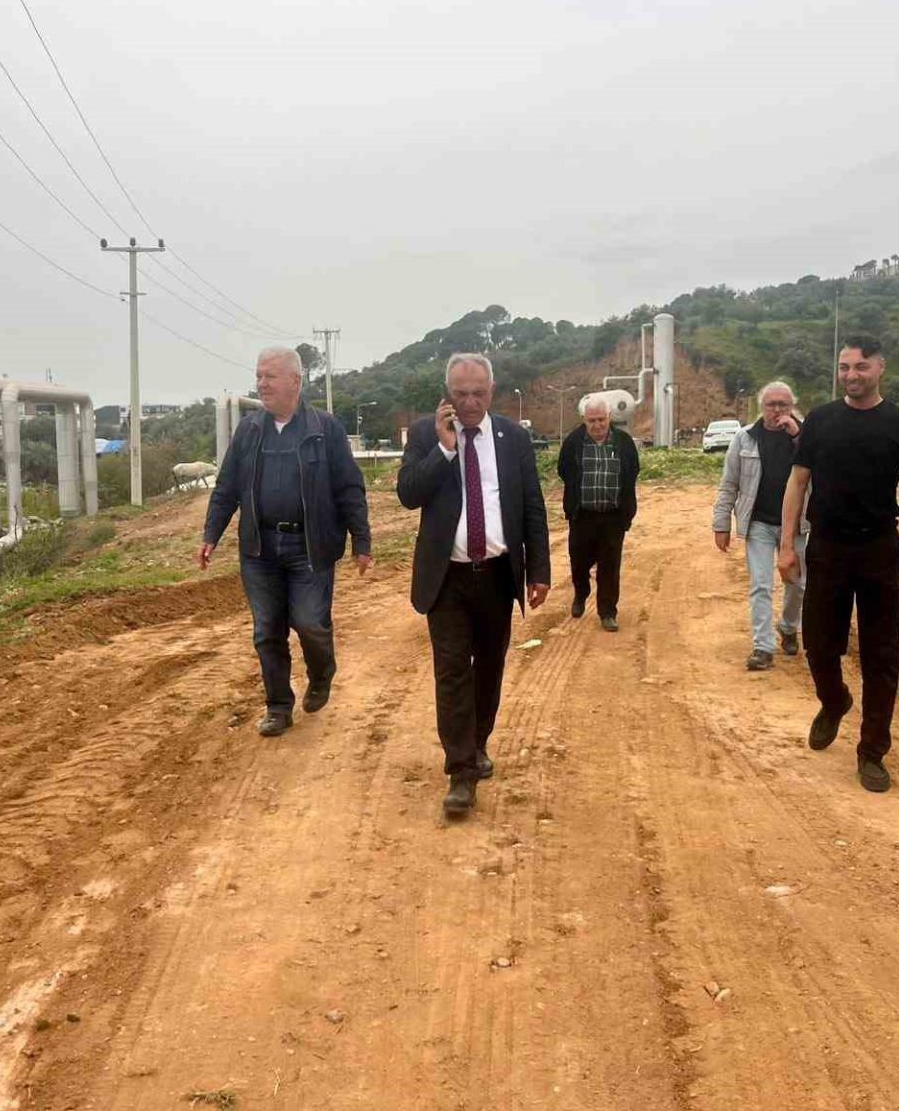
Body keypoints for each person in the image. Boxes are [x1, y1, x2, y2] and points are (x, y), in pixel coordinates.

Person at [778, 336, 899, 794]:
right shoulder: (820, 421)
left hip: (878, 548)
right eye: (845, 367)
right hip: (827, 546)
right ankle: (834, 701)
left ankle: (872, 752)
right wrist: (786, 546)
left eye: (860, 367)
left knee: (880, 654)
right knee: (818, 643)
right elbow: (797, 483)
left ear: (880, 368)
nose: (851, 375)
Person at [397, 353, 551, 818]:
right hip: (446, 578)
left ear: (492, 391)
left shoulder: (513, 438)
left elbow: (532, 505)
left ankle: (478, 742)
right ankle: (460, 771)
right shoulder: (425, 434)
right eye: (460, 394)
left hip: (497, 574)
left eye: (478, 393)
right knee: (451, 672)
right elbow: (408, 494)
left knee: (489, 668)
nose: (469, 403)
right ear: (448, 393)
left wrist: (539, 571)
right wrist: (445, 450)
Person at [200, 346, 372, 736]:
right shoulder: (249, 431)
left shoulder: (325, 429)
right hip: (259, 548)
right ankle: (278, 706)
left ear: (295, 381)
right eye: (259, 376)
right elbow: (226, 488)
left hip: (309, 546)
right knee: (267, 630)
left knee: (310, 623)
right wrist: (211, 535)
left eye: (270, 376)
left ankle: (322, 672)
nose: (261, 383)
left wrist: (361, 540)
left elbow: (349, 488)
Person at [711, 381, 806, 671]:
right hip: (759, 523)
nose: (777, 410)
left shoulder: (806, 436)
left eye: (783, 404)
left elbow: (824, 468)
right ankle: (763, 647)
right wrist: (721, 523)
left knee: (798, 584)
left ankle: (788, 626)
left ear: (792, 406)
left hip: (797, 524)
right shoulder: (745, 438)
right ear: (761, 407)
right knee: (761, 585)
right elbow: (729, 483)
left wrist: (797, 437)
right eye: (771, 404)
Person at [557, 397, 640, 632]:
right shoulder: (574, 442)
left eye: (601, 419)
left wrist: (626, 512)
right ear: (584, 420)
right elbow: (563, 470)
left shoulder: (623, 443)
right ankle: (581, 592)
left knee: (609, 567)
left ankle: (607, 612)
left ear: (609, 418)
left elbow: (632, 472)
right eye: (592, 420)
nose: (597, 425)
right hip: (582, 516)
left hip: (613, 517)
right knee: (579, 562)